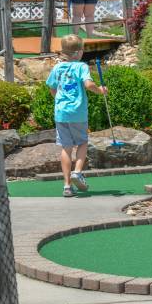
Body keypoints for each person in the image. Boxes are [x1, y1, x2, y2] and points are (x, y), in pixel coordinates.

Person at [46, 35, 107, 197]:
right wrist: (100, 90)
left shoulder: (57, 68)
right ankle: (77, 172)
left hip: (61, 113)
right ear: (79, 52)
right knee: (82, 142)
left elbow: (52, 88)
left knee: (66, 147)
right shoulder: (81, 66)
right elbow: (88, 84)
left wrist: (59, 100)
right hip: (78, 112)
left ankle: (66, 186)